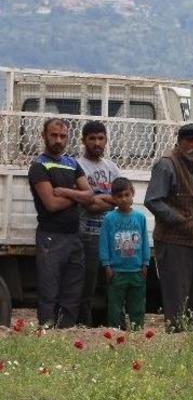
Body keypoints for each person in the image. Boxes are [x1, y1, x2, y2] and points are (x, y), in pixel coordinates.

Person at [28, 118, 97, 328]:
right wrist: (78, 196)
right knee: (49, 292)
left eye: (63, 136)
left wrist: (65, 191)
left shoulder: (72, 163)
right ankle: (47, 338)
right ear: (44, 136)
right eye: (54, 135)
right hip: (50, 237)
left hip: (74, 237)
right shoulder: (39, 166)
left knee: (72, 292)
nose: (58, 140)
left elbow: (90, 196)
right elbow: (51, 204)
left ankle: (65, 337)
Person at [145, 123, 193, 331]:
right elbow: (153, 200)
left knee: (192, 302)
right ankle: (175, 344)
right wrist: (179, 219)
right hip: (173, 244)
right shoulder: (167, 165)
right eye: (191, 141)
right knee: (176, 301)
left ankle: (187, 345)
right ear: (180, 142)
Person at [75, 120, 120, 325]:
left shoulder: (112, 167)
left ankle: (112, 326)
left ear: (106, 140)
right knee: (87, 286)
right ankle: (84, 326)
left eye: (100, 138)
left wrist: (97, 200)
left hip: (110, 236)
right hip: (86, 235)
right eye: (92, 138)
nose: (96, 143)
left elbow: (120, 199)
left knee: (113, 284)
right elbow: (87, 205)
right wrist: (105, 201)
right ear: (84, 140)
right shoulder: (77, 166)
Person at [97, 177, 149, 329]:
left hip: (137, 270)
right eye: (119, 196)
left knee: (137, 305)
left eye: (127, 195)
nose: (124, 199)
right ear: (113, 198)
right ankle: (115, 333)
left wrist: (145, 263)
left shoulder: (140, 218)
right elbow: (104, 242)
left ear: (133, 194)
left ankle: (137, 332)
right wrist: (106, 265)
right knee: (115, 306)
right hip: (116, 272)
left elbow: (145, 241)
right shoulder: (109, 218)